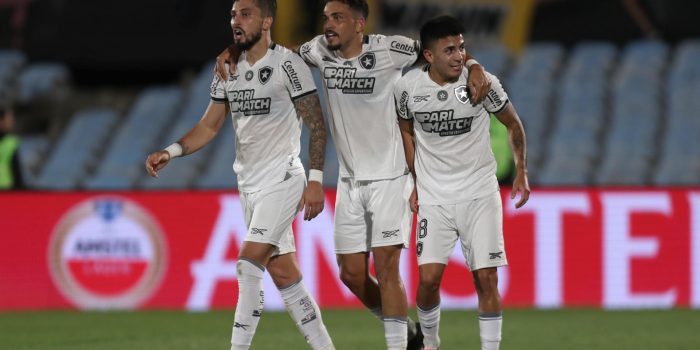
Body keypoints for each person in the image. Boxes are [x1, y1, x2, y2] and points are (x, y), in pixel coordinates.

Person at [216, 1, 491, 349]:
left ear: (359, 24)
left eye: (337, 18)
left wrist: (473, 63)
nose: (328, 23)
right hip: (349, 182)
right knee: (352, 275)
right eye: (326, 17)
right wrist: (231, 48)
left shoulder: (391, 49)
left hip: (390, 177)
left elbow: (440, 50)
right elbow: (269, 49)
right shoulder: (317, 50)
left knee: (387, 267)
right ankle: (410, 334)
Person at [145, 1, 334, 349]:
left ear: (267, 20)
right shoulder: (228, 68)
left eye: (245, 13)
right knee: (284, 275)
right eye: (233, 14)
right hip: (248, 186)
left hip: (283, 179)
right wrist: (170, 151)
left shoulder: (288, 64)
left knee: (248, 266)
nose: (236, 20)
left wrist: (316, 180)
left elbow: (317, 126)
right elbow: (209, 125)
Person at [394, 15, 530, 350]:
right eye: (450, 50)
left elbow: (513, 124)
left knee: (486, 277)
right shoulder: (407, 88)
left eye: (462, 48)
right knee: (427, 281)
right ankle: (431, 341)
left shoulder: (480, 83)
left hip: (480, 194)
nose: (459, 56)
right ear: (429, 56)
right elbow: (406, 130)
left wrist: (522, 171)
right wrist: (414, 180)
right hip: (434, 199)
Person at [0, 104, 25, 190]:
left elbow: (16, 170)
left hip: (7, 189)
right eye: (9, 119)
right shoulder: (11, 142)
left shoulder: (11, 142)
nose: (12, 122)